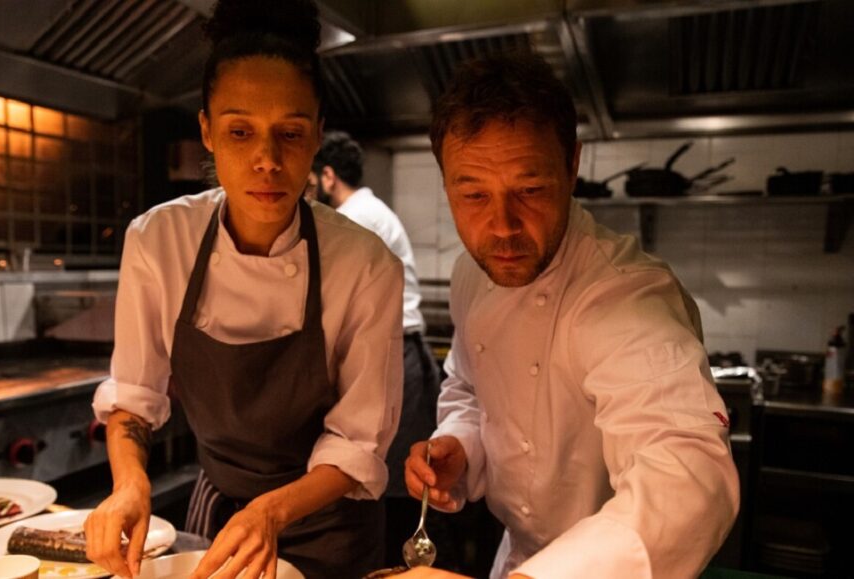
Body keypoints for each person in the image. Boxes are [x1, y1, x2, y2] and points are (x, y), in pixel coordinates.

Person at [84, 2, 404, 578]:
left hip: (333, 531)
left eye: (290, 132)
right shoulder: (159, 241)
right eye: (239, 131)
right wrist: (129, 482)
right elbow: (134, 393)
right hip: (223, 522)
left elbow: (358, 444)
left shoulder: (365, 265)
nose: (267, 160)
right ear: (206, 130)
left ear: (317, 137)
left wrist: (272, 512)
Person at [398, 53, 740, 579]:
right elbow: (469, 386)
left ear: (572, 164)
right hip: (518, 557)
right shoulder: (473, 273)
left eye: (530, 190)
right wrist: (459, 447)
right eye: (473, 195)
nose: (502, 226)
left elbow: (688, 473)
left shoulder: (623, 294)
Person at [312, 132, 443, 565]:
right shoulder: (366, 210)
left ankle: (400, 566)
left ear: (328, 176)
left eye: (314, 180)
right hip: (401, 352)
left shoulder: (356, 217)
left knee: (394, 477)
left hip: (397, 355)